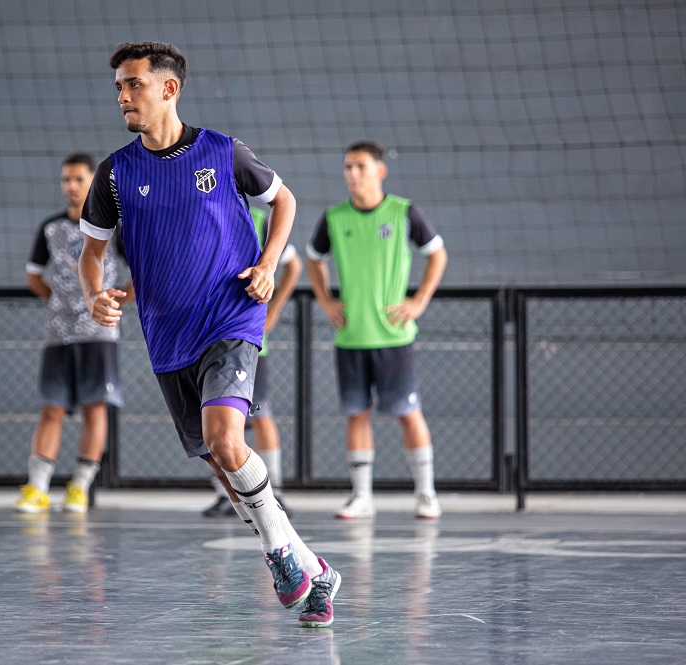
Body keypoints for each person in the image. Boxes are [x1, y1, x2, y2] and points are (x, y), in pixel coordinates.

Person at [78, 41, 340, 628]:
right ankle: (312, 568)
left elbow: (285, 201)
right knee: (223, 465)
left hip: (232, 313)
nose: (123, 96)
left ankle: (278, 557)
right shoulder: (115, 173)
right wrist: (96, 290)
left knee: (226, 438)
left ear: (168, 89)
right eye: (118, 87)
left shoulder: (222, 152)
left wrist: (269, 263)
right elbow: (92, 253)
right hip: (169, 333)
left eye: (133, 85)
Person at [306, 141, 448, 521]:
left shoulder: (404, 212)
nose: (353, 174)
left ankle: (426, 494)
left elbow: (437, 253)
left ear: (380, 171)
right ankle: (362, 496)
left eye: (361, 167)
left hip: (394, 336)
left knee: (408, 413)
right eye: (348, 167)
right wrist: (326, 300)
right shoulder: (334, 218)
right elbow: (313, 258)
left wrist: (417, 302)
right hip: (352, 335)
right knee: (357, 414)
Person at [14, 153, 133, 514]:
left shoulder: (114, 227)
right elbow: (34, 277)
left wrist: (114, 303)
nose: (71, 186)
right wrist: (59, 303)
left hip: (99, 334)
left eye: (79, 179)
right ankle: (38, 487)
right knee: (51, 409)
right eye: (66, 180)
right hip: (59, 334)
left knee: (95, 410)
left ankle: (79, 488)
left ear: (93, 180)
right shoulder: (51, 229)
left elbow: (141, 274)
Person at [203, 205, 303, 518]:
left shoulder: (260, 219)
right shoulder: (200, 213)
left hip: (246, 343)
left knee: (259, 414)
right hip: (205, 340)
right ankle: (226, 494)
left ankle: (276, 492)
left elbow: (294, 265)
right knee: (215, 421)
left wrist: (271, 312)